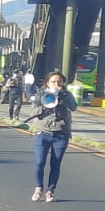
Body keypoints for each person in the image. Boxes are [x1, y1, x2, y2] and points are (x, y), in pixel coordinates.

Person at [30, 71, 77, 203]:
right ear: (47, 83)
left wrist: (64, 96)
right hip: (43, 132)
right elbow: (32, 112)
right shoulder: (40, 95)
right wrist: (45, 106)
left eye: (59, 82)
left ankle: (50, 191)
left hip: (61, 134)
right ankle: (38, 188)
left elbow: (73, 107)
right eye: (53, 82)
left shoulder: (66, 94)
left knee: (55, 163)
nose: (56, 84)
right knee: (39, 162)